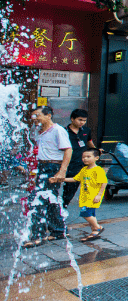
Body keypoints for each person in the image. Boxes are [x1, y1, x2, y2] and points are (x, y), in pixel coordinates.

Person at [23, 106, 73, 248]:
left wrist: (62, 172)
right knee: (50, 199)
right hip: (43, 167)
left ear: (49, 115)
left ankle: (37, 236)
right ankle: (59, 230)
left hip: (53, 167)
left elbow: (68, 150)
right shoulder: (40, 132)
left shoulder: (58, 130)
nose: (35, 119)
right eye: (33, 116)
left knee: (36, 200)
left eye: (37, 115)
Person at [59, 148, 107, 242]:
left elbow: (104, 182)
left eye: (88, 157)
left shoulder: (98, 170)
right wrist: (62, 179)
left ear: (96, 158)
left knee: (85, 214)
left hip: (93, 197)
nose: (85, 159)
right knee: (91, 214)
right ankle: (94, 231)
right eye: (83, 157)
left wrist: (99, 195)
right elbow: (76, 179)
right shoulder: (84, 169)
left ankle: (98, 227)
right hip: (85, 197)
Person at [64, 109, 96, 208]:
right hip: (66, 162)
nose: (82, 122)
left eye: (84, 120)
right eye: (80, 120)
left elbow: (90, 144)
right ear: (72, 119)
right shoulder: (64, 131)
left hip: (80, 163)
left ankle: (63, 205)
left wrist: (96, 151)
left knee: (72, 187)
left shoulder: (86, 131)